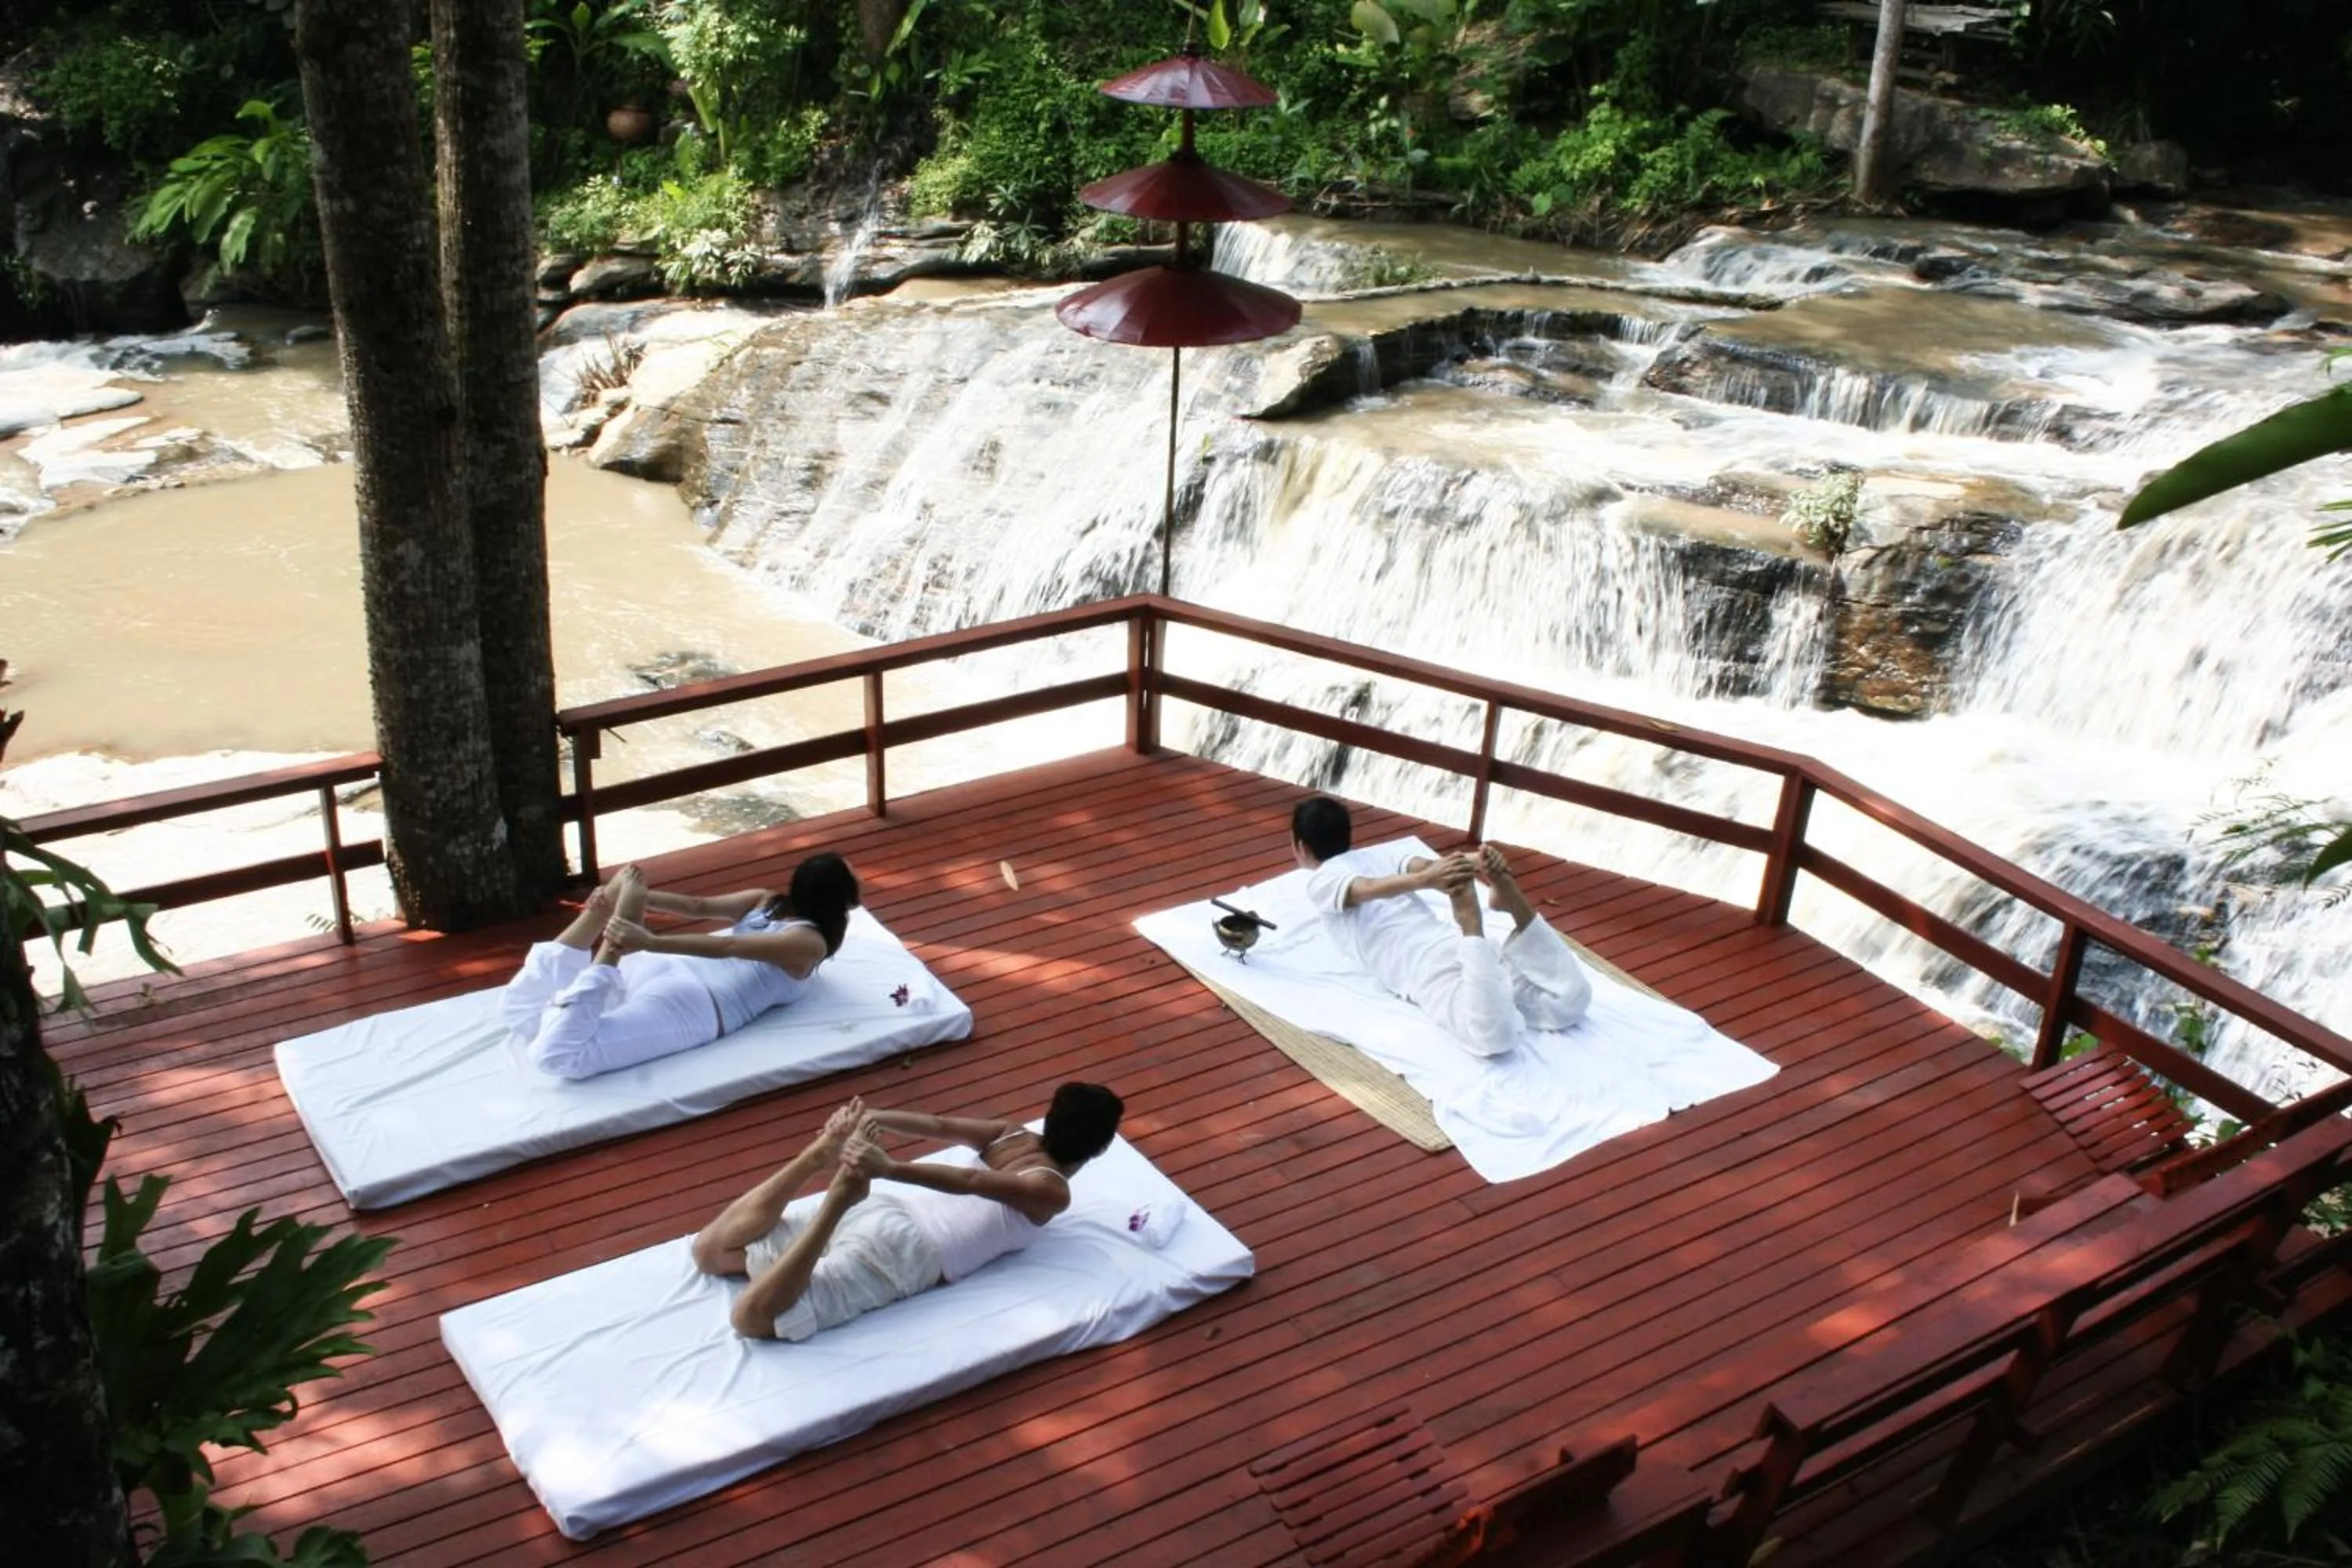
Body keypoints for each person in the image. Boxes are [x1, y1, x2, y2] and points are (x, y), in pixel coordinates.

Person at [692, 1083, 1125, 1341]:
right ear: (1102, 1148)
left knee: (712, 1252)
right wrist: (888, 1162)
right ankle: (835, 1201)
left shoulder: (1011, 1134)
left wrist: (877, 1119)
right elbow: (971, 1182)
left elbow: (938, 1125)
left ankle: (816, 1166)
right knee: (751, 1319)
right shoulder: (1051, 1191)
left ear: (1049, 1119)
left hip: (884, 1212)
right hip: (905, 1251)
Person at [500, 853, 862, 1080]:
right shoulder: (811, 943)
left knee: (522, 1013)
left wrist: (643, 915)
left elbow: (702, 911)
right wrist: (647, 932)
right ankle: (609, 947)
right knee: (559, 1057)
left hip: (671, 973)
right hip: (695, 1006)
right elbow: (724, 942)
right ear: (840, 899)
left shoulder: (768, 902)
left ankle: (607, 915)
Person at [1289, 796, 1592, 1058]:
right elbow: (1418, 871)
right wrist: (1476, 861)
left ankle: (1472, 923)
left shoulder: (1321, 878)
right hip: (1463, 951)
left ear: (1301, 847)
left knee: (1493, 1037)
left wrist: (1441, 874)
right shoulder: (1379, 855)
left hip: (1426, 967)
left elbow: (1371, 887)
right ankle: (1510, 903)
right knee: (1569, 1001)